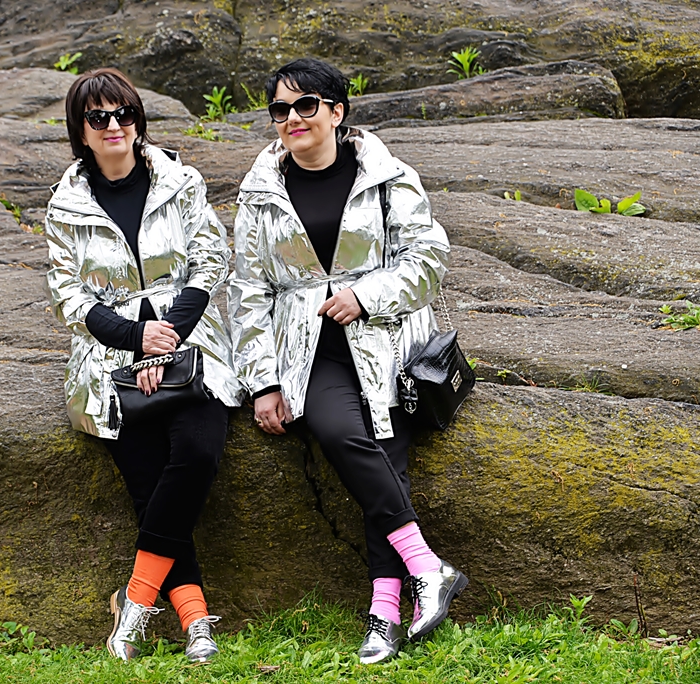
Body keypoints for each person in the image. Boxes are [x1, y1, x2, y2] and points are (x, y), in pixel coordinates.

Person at [228, 58, 467, 665]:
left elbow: (428, 258)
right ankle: (426, 566)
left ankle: (385, 614)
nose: (292, 119)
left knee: (387, 460)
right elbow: (248, 290)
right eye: (280, 110)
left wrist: (366, 295)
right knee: (339, 432)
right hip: (309, 350)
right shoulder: (259, 193)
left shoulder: (389, 177)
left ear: (337, 111)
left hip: (387, 342)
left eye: (306, 105)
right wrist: (263, 382)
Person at [45, 68, 242, 663]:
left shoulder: (181, 182)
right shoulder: (65, 205)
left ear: (138, 120)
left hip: (192, 341)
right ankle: (196, 619)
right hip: (111, 357)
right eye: (98, 117)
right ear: (81, 131)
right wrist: (136, 341)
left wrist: (167, 340)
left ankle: (134, 602)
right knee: (149, 481)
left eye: (124, 113)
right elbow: (70, 297)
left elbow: (211, 261)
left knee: (198, 452)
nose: (114, 125)